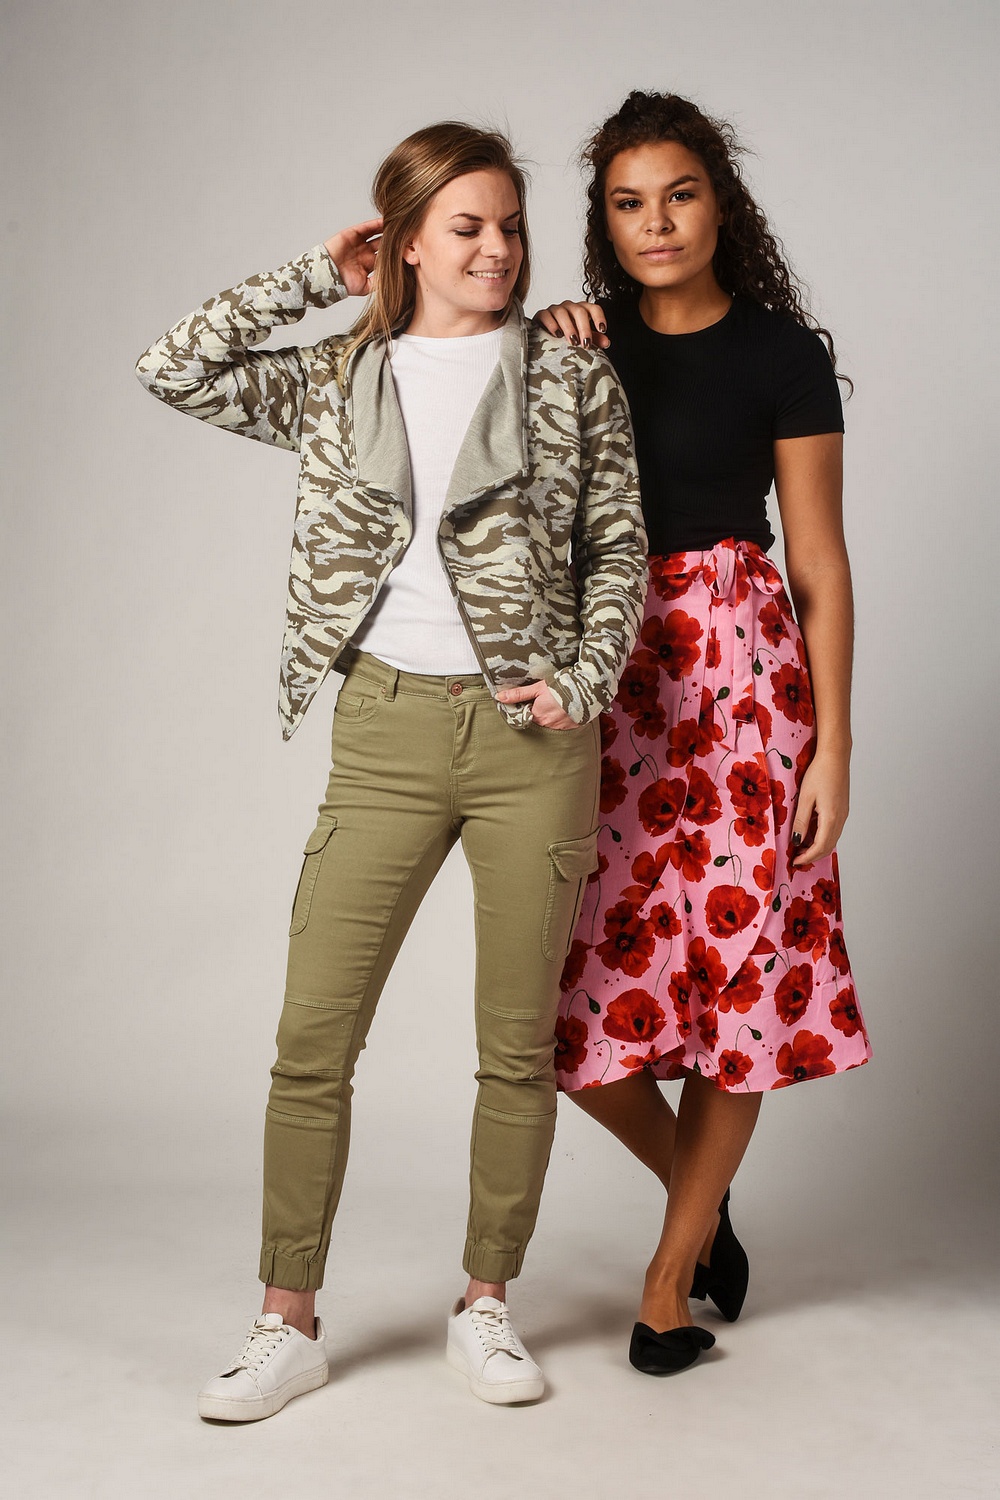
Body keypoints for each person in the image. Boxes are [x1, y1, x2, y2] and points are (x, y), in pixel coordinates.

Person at [136, 121, 646, 1417]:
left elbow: (618, 553)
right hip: (381, 732)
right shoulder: (342, 374)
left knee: (513, 1047)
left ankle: (487, 1304)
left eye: (510, 226)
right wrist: (319, 273)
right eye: (465, 227)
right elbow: (173, 366)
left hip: (534, 744)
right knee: (312, 1038)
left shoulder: (568, 374)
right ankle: (286, 1321)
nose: (497, 249)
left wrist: (582, 682)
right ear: (407, 240)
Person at [534, 90, 871, 1376]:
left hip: (741, 677)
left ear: (719, 202)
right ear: (602, 223)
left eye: (677, 194)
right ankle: (704, 1195)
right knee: (576, 1018)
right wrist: (543, 344)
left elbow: (821, 566)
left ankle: (666, 1282)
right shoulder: (578, 346)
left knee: (741, 980)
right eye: (628, 204)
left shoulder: (782, 354)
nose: (656, 222)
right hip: (611, 679)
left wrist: (833, 747)